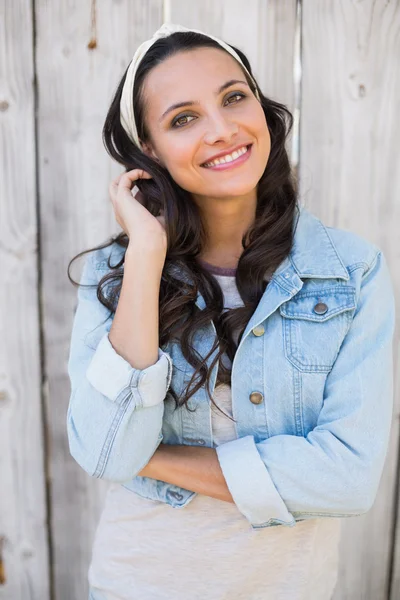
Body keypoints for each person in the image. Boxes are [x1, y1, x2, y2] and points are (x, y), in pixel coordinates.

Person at [66, 22, 395, 600]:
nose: (222, 130)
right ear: (150, 150)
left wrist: (146, 457)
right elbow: (102, 448)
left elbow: (348, 478)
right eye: (183, 119)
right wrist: (147, 253)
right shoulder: (114, 277)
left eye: (233, 97)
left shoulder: (350, 271)